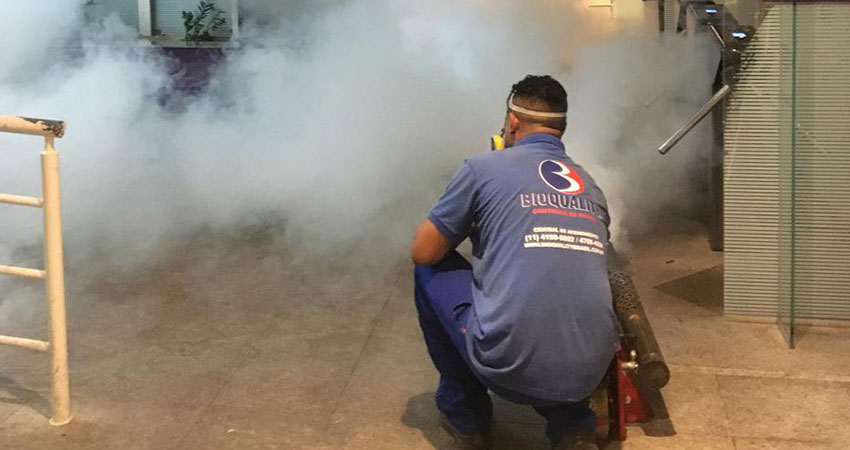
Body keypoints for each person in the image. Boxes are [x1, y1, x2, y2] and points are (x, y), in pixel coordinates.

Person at [410, 75, 619, 450]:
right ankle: (573, 427)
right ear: (561, 128)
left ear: (512, 121)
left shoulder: (483, 168)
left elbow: (424, 250)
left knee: (428, 269)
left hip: (508, 366)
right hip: (589, 371)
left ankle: (466, 417)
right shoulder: (591, 186)